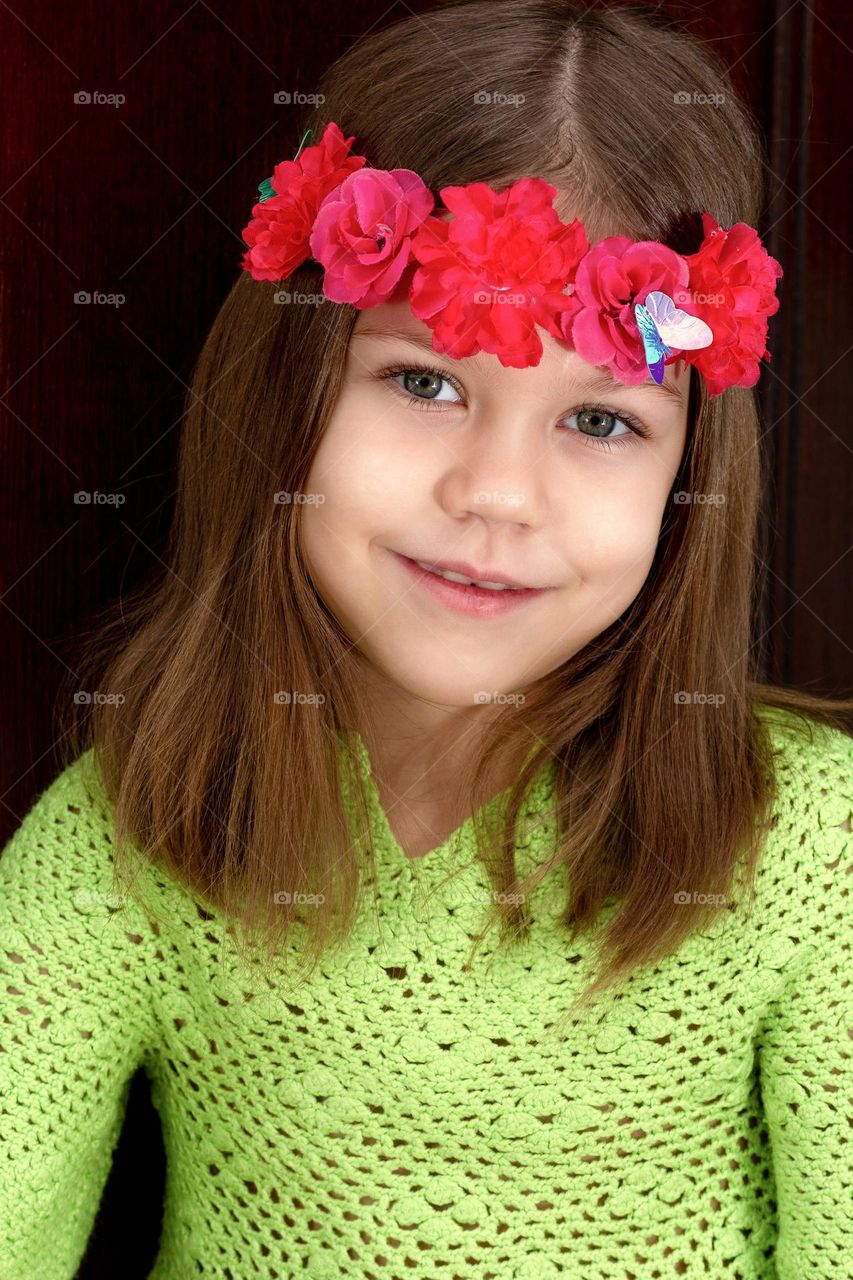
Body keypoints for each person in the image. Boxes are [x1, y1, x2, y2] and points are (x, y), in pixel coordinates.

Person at [1, 3, 850, 1277]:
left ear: (688, 476)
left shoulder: (809, 852)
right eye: (426, 383)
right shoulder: (136, 832)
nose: (497, 494)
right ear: (287, 388)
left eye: (602, 422)